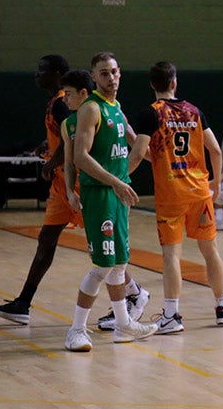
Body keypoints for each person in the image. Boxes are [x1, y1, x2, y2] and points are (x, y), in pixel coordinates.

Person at [0, 55, 149, 326]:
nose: (37, 75)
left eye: (43, 70)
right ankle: (24, 302)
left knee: (106, 252)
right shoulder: (62, 103)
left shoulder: (74, 104)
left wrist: (53, 162)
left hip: (87, 186)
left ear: (59, 75)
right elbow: (65, 136)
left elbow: (73, 145)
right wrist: (47, 147)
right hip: (63, 186)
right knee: (47, 239)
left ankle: (132, 295)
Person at [128, 61, 223, 333]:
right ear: (174, 83)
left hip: (171, 195)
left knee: (171, 256)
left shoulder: (151, 114)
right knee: (210, 251)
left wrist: (119, 179)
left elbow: (139, 154)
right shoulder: (194, 112)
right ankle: (222, 307)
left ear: (152, 84)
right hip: (199, 191)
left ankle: (172, 315)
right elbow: (216, 151)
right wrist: (216, 184)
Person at [62, 52, 158, 351]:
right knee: (102, 266)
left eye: (114, 72)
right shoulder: (91, 109)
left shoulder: (116, 108)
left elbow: (137, 144)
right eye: (104, 73)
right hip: (100, 193)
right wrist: (115, 181)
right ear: (94, 78)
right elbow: (79, 157)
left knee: (118, 264)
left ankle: (123, 324)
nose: (111, 78)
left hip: (117, 194)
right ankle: (76, 330)